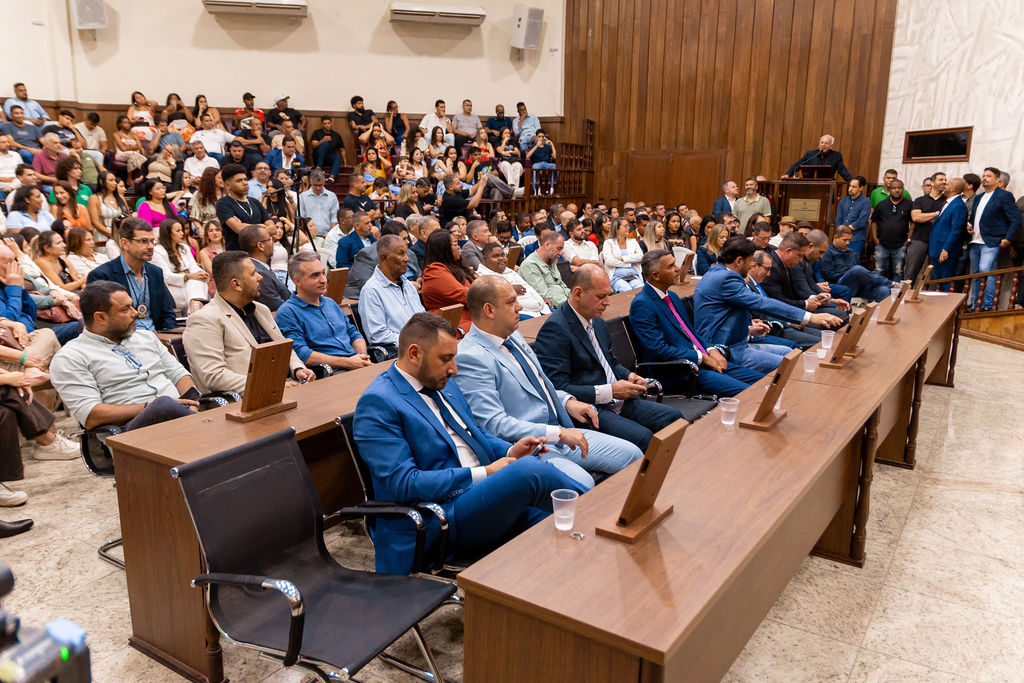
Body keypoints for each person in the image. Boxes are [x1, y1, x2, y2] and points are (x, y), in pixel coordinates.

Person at [352, 312, 588, 574]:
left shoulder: (444, 383)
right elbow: (404, 483)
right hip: (438, 518)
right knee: (530, 471)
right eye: (445, 359)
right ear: (415, 353)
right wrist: (486, 472)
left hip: (479, 501)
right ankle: (601, 509)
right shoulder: (379, 403)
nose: (454, 368)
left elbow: (474, 434)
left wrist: (511, 450)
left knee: (566, 528)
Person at [455, 276, 642, 484]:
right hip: (528, 449)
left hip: (560, 432)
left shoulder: (513, 336)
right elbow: (493, 424)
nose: (519, 307)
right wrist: (557, 433)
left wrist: (566, 401)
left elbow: (540, 386)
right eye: (511, 302)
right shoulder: (470, 357)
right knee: (583, 484)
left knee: (634, 455)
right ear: (489, 310)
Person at [533, 265, 682, 451]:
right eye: (600, 296)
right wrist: (610, 391)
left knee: (674, 419)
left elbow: (611, 362)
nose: (607, 302)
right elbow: (558, 388)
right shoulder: (555, 330)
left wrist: (629, 376)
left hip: (617, 400)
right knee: (644, 438)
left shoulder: (597, 321)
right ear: (578, 293)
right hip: (590, 408)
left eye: (608, 295)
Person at [49, 279, 200, 439]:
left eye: (132, 306)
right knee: (163, 405)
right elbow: (90, 415)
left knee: (174, 408)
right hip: (130, 434)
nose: (135, 313)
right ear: (100, 317)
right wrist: (148, 407)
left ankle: (195, 424)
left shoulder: (147, 338)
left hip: (180, 416)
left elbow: (179, 374)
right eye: (125, 309)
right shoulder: (71, 357)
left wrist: (190, 402)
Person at [694, 237, 841, 373]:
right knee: (791, 365)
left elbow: (724, 315)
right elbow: (761, 303)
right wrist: (809, 317)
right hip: (724, 348)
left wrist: (748, 329)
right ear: (739, 261)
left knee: (790, 353)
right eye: (750, 261)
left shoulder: (718, 272)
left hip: (738, 341)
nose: (751, 265)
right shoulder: (726, 279)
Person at [630, 249, 763, 396]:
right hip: (680, 371)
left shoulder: (672, 296)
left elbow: (691, 334)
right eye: (671, 266)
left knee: (763, 382)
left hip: (700, 361)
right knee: (749, 393)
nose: (678, 268)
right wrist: (702, 357)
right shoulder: (642, 305)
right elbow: (659, 350)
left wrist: (711, 350)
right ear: (656, 276)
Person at [182, 251, 312, 395]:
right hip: (247, 399)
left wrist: (298, 369)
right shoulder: (204, 320)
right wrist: (271, 385)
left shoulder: (261, 310)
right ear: (236, 284)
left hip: (288, 388)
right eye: (253, 274)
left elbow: (284, 347)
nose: (260, 277)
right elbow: (214, 376)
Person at [275, 252, 372, 372]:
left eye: (323, 273)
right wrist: (348, 362)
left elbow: (353, 334)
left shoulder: (330, 303)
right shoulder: (287, 313)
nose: (323, 280)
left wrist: (362, 356)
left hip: (357, 364)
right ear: (297, 281)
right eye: (315, 276)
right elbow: (302, 354)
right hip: (332, 373)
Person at [86, 217, 178, 332]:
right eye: (143, 241)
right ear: (125, 244)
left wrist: (168, 336)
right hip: (123, 337)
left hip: (157, 336)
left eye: (153, 241)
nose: (151, 246)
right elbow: (102, 323)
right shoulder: (102, 276)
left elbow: (167, 314)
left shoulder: (155, 272)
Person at [968, 167, 1023, 311]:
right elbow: (974, 218)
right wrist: (969, 226)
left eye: (989, 176)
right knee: (976, 274)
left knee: (986, 271)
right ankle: (976, 305)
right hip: (975, 241)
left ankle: (988, 306)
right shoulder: (979, 197)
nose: (984, 178)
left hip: (991, 241)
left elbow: (1016, 219)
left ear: (997, 180)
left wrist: (1008, 238)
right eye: (983, 175)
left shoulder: (1004, 196)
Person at [358, 235, 426, 347]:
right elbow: (377, 335)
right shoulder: (371, 291)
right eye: (401, 254)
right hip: (399, 350)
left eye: (406, 253)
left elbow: (422, 317)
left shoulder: (407, 285)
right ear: (384, 258)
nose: (407, 259)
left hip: (422, 343)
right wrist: (414, 340)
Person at [746, 249, 822, 349]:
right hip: (773, 328)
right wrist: (788, 322)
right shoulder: (747, 285)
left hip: (784, 322)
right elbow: (764, 313)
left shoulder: (757, 283)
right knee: (819, 343)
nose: (768, 274)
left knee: (823, 336)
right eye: (766, 269)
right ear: (754, 266)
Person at [342, 220, 420, 299]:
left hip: (410, 295)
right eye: (404, 239)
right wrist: (406, 285)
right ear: (390, 241)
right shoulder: (367, 255)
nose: (408, 242)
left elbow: (418, 273)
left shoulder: (409, 253)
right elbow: (366, 283)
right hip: (374, 298)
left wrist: (420, 279)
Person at [815, 227, 892, 302]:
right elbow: (829, 275)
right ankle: (890, 283)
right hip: (839, 285)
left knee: (884, 290)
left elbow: (861, 275)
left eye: (849, 240)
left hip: (858, 286)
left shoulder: (853, 253)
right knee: (856, 269)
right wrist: (850, 273)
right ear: (835, 237)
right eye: (845, 240)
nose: (847, 243)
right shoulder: (827, 252)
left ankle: (880, 309)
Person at [475, 242, 549, 318]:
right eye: (496, 256)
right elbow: (491, 297)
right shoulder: (481, 277)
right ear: (484, 258)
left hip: (543, 309)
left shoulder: (509, 271)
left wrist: (539, 298)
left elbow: (527, 287)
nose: (501, 258)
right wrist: (510, 289)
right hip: (520, 314)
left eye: (503, 255)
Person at [152, 219, 209, 314]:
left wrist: (202, 274)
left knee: (197, 281)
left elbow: (194, 267)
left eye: (182, 230)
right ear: (168, 233)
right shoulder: (157, 251)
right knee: (194, 282)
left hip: (190, 286)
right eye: (178, 231)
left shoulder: (184, 247)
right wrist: (188, 276)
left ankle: (195, 309)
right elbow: (166, 277)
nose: (182, 233)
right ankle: (196, 311)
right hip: (171, 289)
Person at [422, 230, 475, 333]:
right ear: (444, 249)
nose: (459, 248)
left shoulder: (455, 266)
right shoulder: (433, 271)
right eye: (455, 244)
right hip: (454, 327)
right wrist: (489, 293)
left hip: (470, 321)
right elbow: (464, 295)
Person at [215, 163, 274, 252]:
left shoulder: (255, 202)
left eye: (245, 179)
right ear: (227, 184)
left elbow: (273, 229)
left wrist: (245, 226)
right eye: (239, 181)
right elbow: (239, 229)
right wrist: (262, 226)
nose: (245, 183)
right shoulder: (223, 203)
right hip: (238, 255)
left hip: (261, 255)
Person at [906, 172, 948, 282]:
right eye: (941, 180)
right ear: (932, 183)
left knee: (935, 274)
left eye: (945, 180)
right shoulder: (920, 200)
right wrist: (936, 214)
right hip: (919, 239)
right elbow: (916, 217)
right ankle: (906, 292)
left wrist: (924, 216)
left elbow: (944, 221)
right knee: (910, 273)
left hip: (938, 241)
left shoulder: (947, 201)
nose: (944, 182)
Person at [238, 224, 290, 312]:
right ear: (260, 246)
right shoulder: (259, 273)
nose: (272, 243)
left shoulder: (260, 267)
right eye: (269, 239)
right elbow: (276, 307)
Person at [869, 178, 913, 281]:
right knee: (879, 270)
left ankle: (897, 291)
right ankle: (878, 289)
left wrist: (908, 240)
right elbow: (873, 222)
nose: (897, 190)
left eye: (899, 188)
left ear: (903, 189)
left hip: (901, 244)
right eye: (894, 188)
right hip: (881, 244)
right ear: (890, 190)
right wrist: (875, 238)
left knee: (898, 271)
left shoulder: (909, 204)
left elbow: (913, 223)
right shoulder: (881, 204)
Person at [929, 178, 968, 287]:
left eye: (947, 184)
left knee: (946, 281)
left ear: (952, 188)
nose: (944, 185)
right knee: (937, 280)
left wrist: (946, 249)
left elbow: (956, 230)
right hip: (937, 247)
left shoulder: (959, 206)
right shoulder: (948, 202)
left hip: (946, 251)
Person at [519, 229, 571, 308]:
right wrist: (573, 305)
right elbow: (546, 297)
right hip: (553, 308)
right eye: (559, 248)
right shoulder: (530, 265)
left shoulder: (551, 258)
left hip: (565, 302)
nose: (561, 253)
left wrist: (575, 298)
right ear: (547, 245)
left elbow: (562, 285)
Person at [781, 134, 852, 181]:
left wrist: (851, 181)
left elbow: (842, 170)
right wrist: (788, 174)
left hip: (827, 187)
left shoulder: (836, 156)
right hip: (809, 186)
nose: (823, 145)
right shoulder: (810, 154)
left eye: (826, 143)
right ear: (819, 144)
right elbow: (797, 165)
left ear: (831, 146)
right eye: (822, 142)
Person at [601, 217, 643, 292]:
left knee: (640, 289)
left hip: (633, 275)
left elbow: (640, 257)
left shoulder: (633, 241)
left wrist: (623, 258)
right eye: (625, 226)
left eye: (628, 226)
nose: (628, 228)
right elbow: (610, 262)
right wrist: (630, 263)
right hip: (617, 277)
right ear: (617, 229)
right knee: (627, 290)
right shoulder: (608, 243)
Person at [835, 175, 872, 257]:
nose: (850, 189)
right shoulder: (843, 201)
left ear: (861, 188)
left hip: (856, 238)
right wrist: (840, 232)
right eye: (850, 186)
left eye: (854, 187)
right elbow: (838, 219)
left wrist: (845, 229)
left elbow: (862, 221)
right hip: (841, 236)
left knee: (852, 260)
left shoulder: (866, 202)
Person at [298, 169, 339, 237]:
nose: (318, 188)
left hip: (327, 236)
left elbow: (334, 218)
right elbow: (301, 218)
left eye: (320, 185)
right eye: (315, 185)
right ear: (310, 181)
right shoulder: (302, 197)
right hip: (308, 236)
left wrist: (330, 234)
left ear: (324, 181)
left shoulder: (332, 196)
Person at [526, 129, 557, 194]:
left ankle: (551, 188)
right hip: (537, 164)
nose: (541, 138)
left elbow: (554, 157)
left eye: (542, 137)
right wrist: (537, 146)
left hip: (546, 164)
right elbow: (527, 156)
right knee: (535, 167)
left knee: (555, 166)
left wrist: (552, 145)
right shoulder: (533, 146)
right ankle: (537, 190)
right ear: (536, 137)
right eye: (539, 137)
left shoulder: (547, 147)